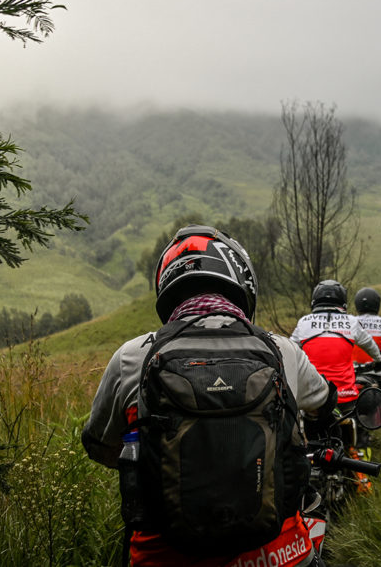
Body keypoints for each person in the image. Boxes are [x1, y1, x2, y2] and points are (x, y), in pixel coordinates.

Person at [81, 225, 336, 567]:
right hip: (279, 555)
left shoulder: (131, 357)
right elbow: (322, 405)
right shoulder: (284, 351)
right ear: (242, 283)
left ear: (167, 287)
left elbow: (100, 446)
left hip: (162, 558)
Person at [291, 280, 381, 412]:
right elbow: (370, 345)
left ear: (314, 301)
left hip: (312, 397)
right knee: (358, 422)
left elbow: (288, 349)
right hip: (345, 396)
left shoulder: (304, 322)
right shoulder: (352, 322)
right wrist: (380, 359)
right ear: (343, 302)